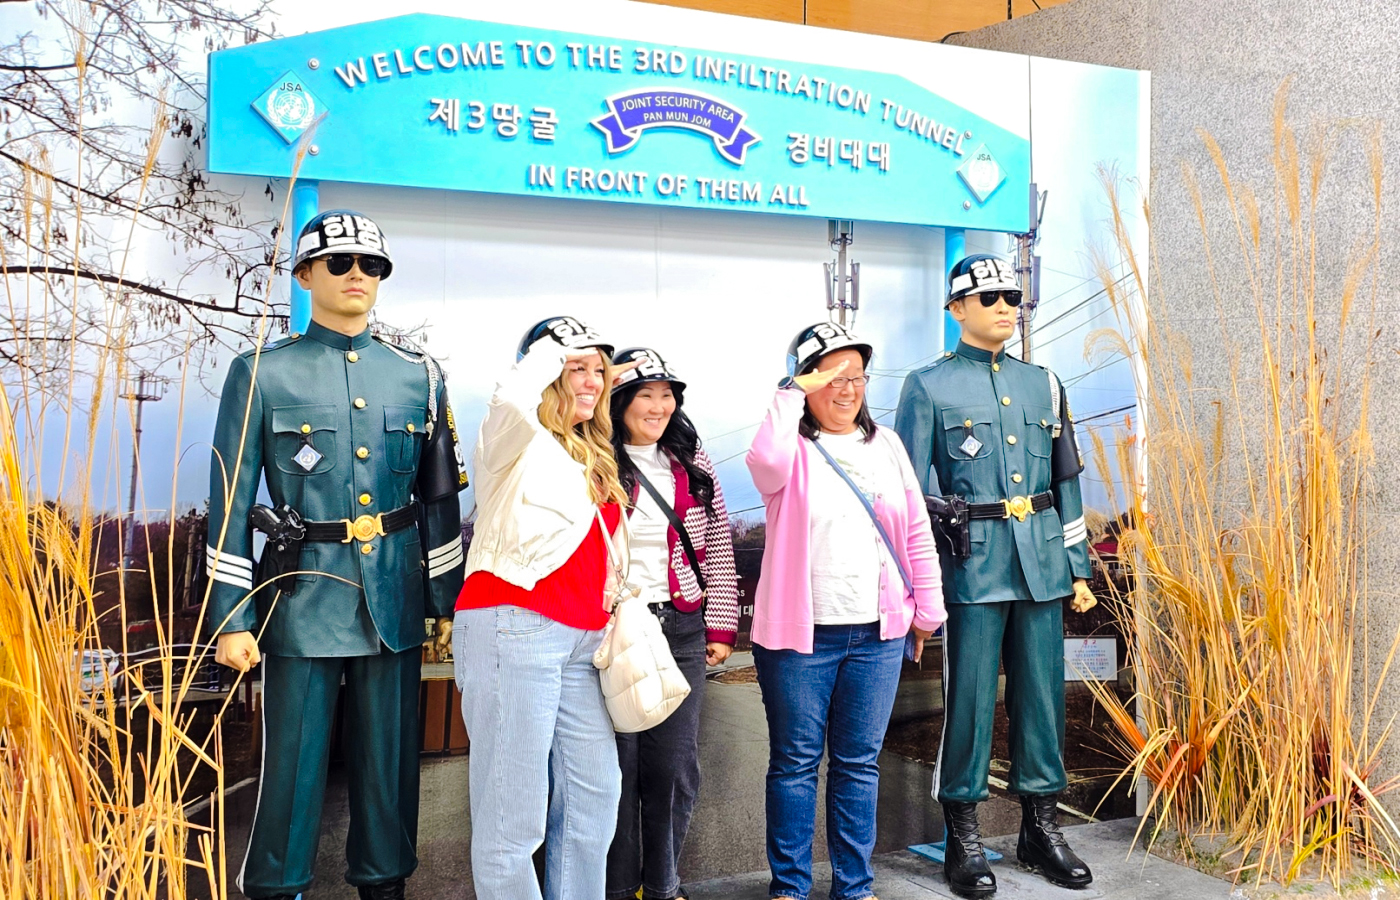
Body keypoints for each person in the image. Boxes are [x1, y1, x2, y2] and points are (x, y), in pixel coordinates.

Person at [207, 210, 468, 900]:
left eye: (372, 265)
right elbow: (230, 501)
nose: (359, 275)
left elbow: (438, 500)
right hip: (301, 596)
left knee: (389, 769)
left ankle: (385, 887)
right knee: (291, 768)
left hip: (393, 599)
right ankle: (277, 887)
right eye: (342, 263)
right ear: (305, 274)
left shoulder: (419, 376)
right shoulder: (262, 372)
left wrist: (444, 601)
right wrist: (232, 617)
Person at [893, 254, 1097, 898]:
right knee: (971, 704)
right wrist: (919, 586)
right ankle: (964, 834)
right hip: (969, 567)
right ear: (956, 310)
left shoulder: (1045, 384)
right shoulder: (928, 387)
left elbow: (1064, 482)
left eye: (1012, 295)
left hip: (1040, 566)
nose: (1006, 306)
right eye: (988, 298)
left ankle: (1041, 828)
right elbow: (910, 495)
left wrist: (1077, 567)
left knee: (1042, 702)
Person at [745, 321, 947, 900]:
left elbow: (914, 531)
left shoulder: (886, 446)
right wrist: (788, 391)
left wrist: (925, 611)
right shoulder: (790, 449)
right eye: (830, 377)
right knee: (794, 765)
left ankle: (854, 887)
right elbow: (762, 462)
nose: (846, 388)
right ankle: (790, 887)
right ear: (804, 383)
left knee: (859, 765)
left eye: (855, 376)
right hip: (799, 640)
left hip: (877, 636)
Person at [454, 315, 638, 900]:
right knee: (514, 814)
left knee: (595, 799)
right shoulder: (512, 438)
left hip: (584, 640)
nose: (590, 381)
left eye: (598, 371)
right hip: (514, 626)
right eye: (575, 369)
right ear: (547, 373)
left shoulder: (592, 450)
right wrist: (555, 349)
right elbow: (513, 394)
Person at [604, 347, 740, 900]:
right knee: (616, 770)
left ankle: (662, 885)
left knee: (675, 769)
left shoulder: (691, 460)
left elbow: (718, 546)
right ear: (619, 402)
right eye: (645, 394)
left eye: (667, 394)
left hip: (679, 626)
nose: (658, 406)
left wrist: (721, 626)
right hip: (612, 627)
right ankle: (615, 887)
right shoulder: (593, 458)